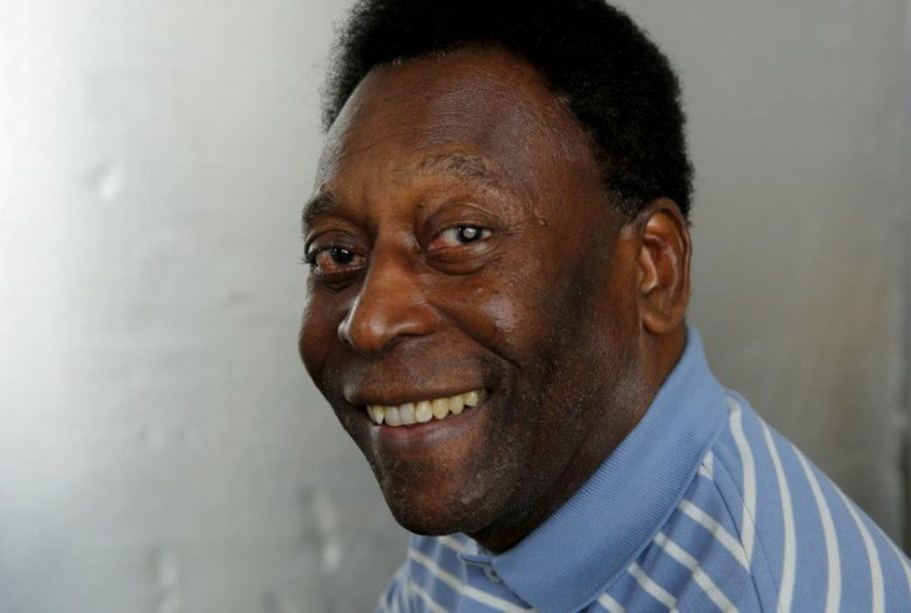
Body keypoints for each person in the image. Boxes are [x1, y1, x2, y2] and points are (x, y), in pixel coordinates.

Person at [297, 1, 911, 610]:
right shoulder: (498, 466)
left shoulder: (769, 597)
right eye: (336, 253)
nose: (371, 321)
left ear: (654, 268)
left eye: (464, 234)